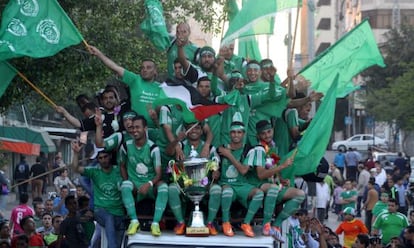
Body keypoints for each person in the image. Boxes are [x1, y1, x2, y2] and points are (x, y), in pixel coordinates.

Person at [88, 45, 160, 140]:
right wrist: (99, 54)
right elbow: (115, 68)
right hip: (135, 132)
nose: (145, 69)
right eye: (142, 67)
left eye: (148, 67)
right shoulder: (135, 80)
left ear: (155, 71)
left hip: (154, 131)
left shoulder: (161, 88)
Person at [165, 121, 221, 235]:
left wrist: (216, 172)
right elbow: (168, 151)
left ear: (201, 131)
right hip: (184, 186)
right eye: (190, 129)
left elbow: (216, 165)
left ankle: (209, 223)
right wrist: (176, 141)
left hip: (204, 185)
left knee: (217, 190)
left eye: (197, 128)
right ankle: (180, 222)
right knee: (171, 189)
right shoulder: (180, 145)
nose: (194, 131)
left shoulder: (209, 147)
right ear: (186, 131)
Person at [245, 119, 297, 241]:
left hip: (272, 185)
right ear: (258, 135)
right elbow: (261, 175)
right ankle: (266, 225)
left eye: (269, 132)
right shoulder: (258, 149)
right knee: (273, 188)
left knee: (300, 194)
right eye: (263, 133)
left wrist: (282, 180)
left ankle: (276, 225)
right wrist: (283, 166)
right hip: (258, 185)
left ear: (273, 130)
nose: (267, 135)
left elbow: (273, 168)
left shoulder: (272, 147)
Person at [119, 116, 168, 237]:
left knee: (163, 187)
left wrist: (149, 184)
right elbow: (122, 165)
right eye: (132, 127)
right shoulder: (125, 146)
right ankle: (134, 221)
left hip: (150, 185)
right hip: (135, 185)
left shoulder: (153, 148)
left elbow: (158, 173)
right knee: (124, 185)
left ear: (145, 128)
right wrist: (129, 182)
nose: (134, 130)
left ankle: (156, 223)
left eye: (137, 127)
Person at [71, 142, 125, 248]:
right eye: (100, 158)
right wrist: (76, 153)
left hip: (119, 212)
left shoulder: (119, 171)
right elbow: (76, 168)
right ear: (98, 160)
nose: (103, 160)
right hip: (101, 211)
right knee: (109, 219)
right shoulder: (94, 171)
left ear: (110, 156)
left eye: (105, 157)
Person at [218, 117, 264, 237]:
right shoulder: (221, 148)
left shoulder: (249, 149)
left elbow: (243, 170)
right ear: (229, 133)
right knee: (227, 192)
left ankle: (246, 223)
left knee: (259, 193)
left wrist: (229, 155)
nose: (236, 135)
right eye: (233, 132)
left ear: (244, 134)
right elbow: (214, 166)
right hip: (227, 183)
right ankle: (226, 222)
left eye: (239, 132)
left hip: (242, 184)